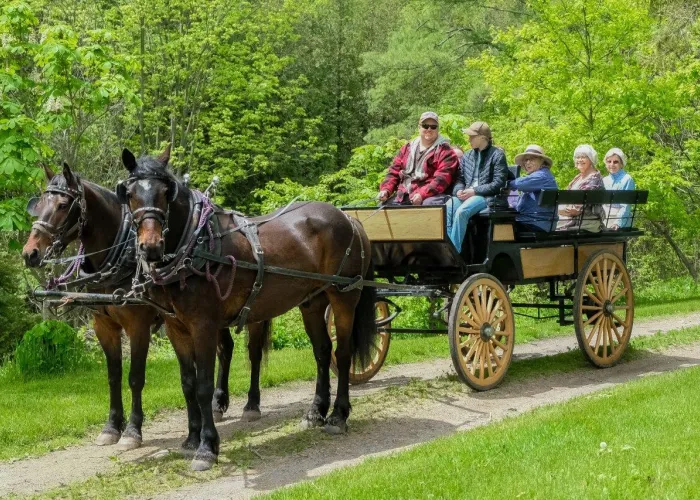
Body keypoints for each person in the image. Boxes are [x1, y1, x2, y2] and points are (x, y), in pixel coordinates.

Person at [446, 121, 507, 253]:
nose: (469, 139)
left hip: (486, 197)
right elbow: (460, 179)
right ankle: (446, 248)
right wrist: (458, 191)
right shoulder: (467, 156)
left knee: (462, 212)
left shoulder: (497, 155)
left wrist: (474, 191)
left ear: (483, 138)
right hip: (466, 194)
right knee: (448, 207)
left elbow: (498, 183)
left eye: (472, 136)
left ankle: (453, 253)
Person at [378, 112, 458, 206]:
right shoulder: (407, 148)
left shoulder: (446, 151)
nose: (429, 129)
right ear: (419, 127)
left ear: (437, 129)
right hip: (403, 194)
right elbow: (393, 172)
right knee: (382, 207)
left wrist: (422, 194)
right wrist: (386, 190)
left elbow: (442, 179)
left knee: (428, 204)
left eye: (433, 126)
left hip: (431, 196)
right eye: (425, 126)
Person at [509, 145, 558, 232]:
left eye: (532, 159)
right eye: (526, 160)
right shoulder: (537, 176)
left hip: (537, 224)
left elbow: (518, 184)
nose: (527, 163)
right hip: (531, 221)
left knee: (501, 228)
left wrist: (500, 182)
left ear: (541, 160)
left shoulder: (542, 176)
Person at [556, 144, 604, 232]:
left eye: (583, 157)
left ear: (591, 159)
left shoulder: (594, 180)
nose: (579, 160)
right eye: (577, 157)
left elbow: (576, 211)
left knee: (548, 224)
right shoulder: (578, 177)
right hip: (574, 219)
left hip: (586, 223)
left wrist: (556, 209)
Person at [602, 147, 636, 229]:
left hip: (620, 219)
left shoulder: (627, 179)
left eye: (615, 162)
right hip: (604, 217)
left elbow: (626, 206)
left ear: (621, 164)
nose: (612, 164)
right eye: (609, 161)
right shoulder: (604, 180)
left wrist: (618, 222)